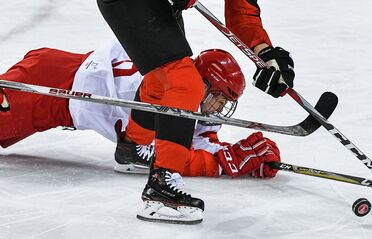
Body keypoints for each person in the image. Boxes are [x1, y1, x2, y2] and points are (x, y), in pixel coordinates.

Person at [95, 0, 296, 223]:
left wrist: (267, 53)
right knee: (185, 83)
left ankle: (132, 148)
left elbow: (243, 13)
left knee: (162, 82)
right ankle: (161, 188)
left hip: (160, 1)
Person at [0, 40, 281, 210]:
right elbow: (163, 156)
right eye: (218, 96)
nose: (219, 108)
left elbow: (196, 141)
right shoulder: (162, 90)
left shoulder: (182, 86)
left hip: (57, 82)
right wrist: (221, 163)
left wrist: (243, 157)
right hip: (47, 88)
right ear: (202, 83)